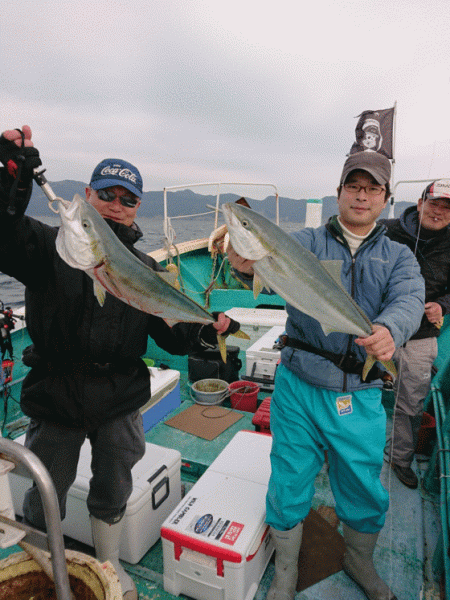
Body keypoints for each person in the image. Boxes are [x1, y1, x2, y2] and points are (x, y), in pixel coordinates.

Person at [0, 125, 240, 600]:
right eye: (105, 194)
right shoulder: (46, 247)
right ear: (86, 196)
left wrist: (207, 332)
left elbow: (170, 336)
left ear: (136, 209)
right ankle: (35, 553)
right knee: (47, 486)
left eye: (126, 199)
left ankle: (107, 561)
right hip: (55, 393)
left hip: (119, 397)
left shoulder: (146, 270)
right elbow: (3, 230)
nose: (114, 204)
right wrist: (13, 180)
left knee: (113, 487)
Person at [227, 150, 425, 600]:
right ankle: (287, 569)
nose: (361, 196)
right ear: (338, 193)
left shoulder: (398, 257)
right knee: (288, 478)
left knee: (361, 481)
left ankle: (359, 561)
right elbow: (257, 271)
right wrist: (244, 263)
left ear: (386, 199)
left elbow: (410, 299)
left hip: (359, 392)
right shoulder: (305, 243)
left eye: (372, 188)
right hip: (299, 384)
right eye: (353, 186)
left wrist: (390, 330)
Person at [380, 180, 450, 489]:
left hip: (420, 336)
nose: (439, 211)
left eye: (447, 208)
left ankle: (400, 457)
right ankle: (341, 448)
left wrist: (443, 305)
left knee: (411, 402)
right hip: (376, 329)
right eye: (434, 203)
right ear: (420, 203)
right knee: (351, 390)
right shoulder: (386, 230)